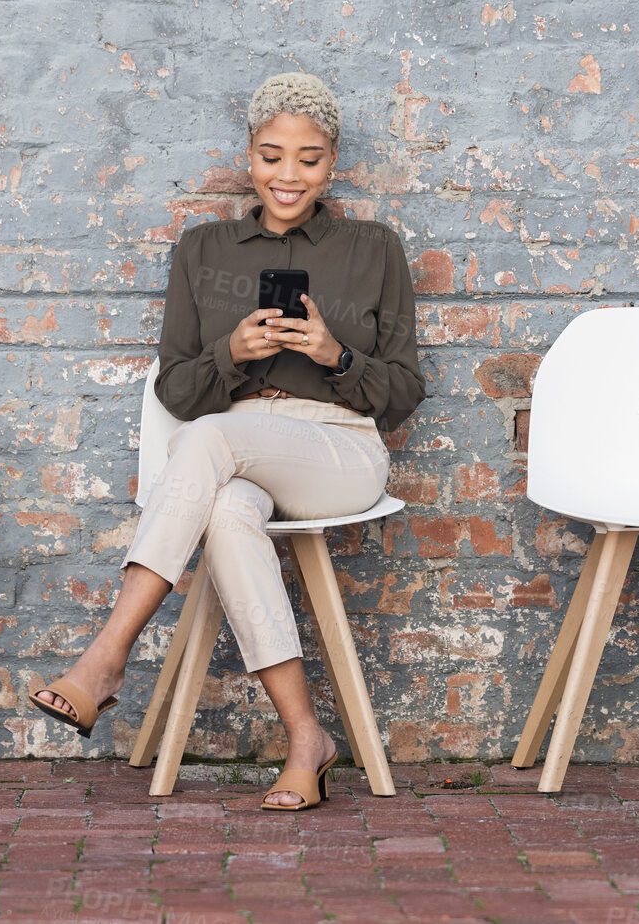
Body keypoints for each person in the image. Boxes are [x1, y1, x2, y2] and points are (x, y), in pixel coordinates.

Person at [31, 71, 426, 810]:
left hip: (339, 450)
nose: (288, 174)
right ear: (249, 156)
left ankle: (105, 657)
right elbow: (176, 390)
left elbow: (402, 395)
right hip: (233, 450)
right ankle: (306, 738)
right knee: (226, 513)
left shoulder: (372, 248)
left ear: (331, 163)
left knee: (211, 440)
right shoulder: (203, 248)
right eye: (272, 155)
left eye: (308, 159)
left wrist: (333, 355)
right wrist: (232, 354)